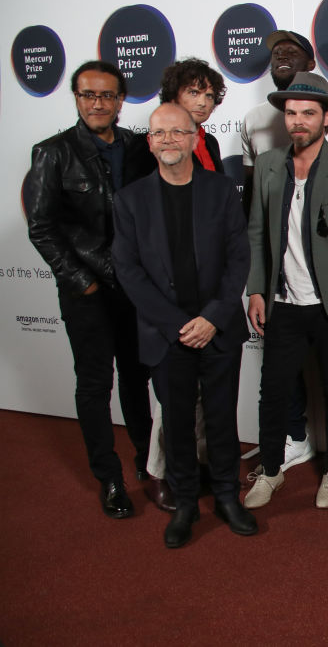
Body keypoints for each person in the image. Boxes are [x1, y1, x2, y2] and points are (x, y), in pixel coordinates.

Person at [112, 103, 255, 548]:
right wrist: (179, 325)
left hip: (218, 328)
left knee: (221, 418)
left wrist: (211, 317)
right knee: (175, 424)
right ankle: (186, 504)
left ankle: (228, 497)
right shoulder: (130, 200)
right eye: (160, 134)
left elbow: (239, 258)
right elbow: (129, 271)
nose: (168, 140)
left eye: (178, 132)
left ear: (194, 138)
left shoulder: (221, 190)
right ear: (150, 142)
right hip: (167, 334)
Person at [22, 60, 155, 519]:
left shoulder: (139, 148)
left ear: (121, 100)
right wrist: (83, 282)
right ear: (77, 98)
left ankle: (147, 460)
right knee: (95, 385)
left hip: (135, 288)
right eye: (88, 94)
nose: (97, 103)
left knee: (137, 379)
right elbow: (41, 227)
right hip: (87, 290)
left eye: (106, 95)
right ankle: (110, 478)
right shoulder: (53, 153)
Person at [239, 30, 328, 479]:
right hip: (282, 304)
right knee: (273, 392)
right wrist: (256, 290)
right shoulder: (268, 166)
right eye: (292, 113)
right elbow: (257, 233)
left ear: (327, 118)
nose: (298, 121)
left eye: (308, 113)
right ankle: (271, 470)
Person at [142, 57, 231, 513]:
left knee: (200, 396)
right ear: (173, 96)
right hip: (166, 296)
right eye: (194, 92)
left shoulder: (207, 143)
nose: (202, 102)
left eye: (209, 95)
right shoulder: (156, 144)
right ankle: (159, 472)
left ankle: (192, 467)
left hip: (207, 289)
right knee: (170, 399)